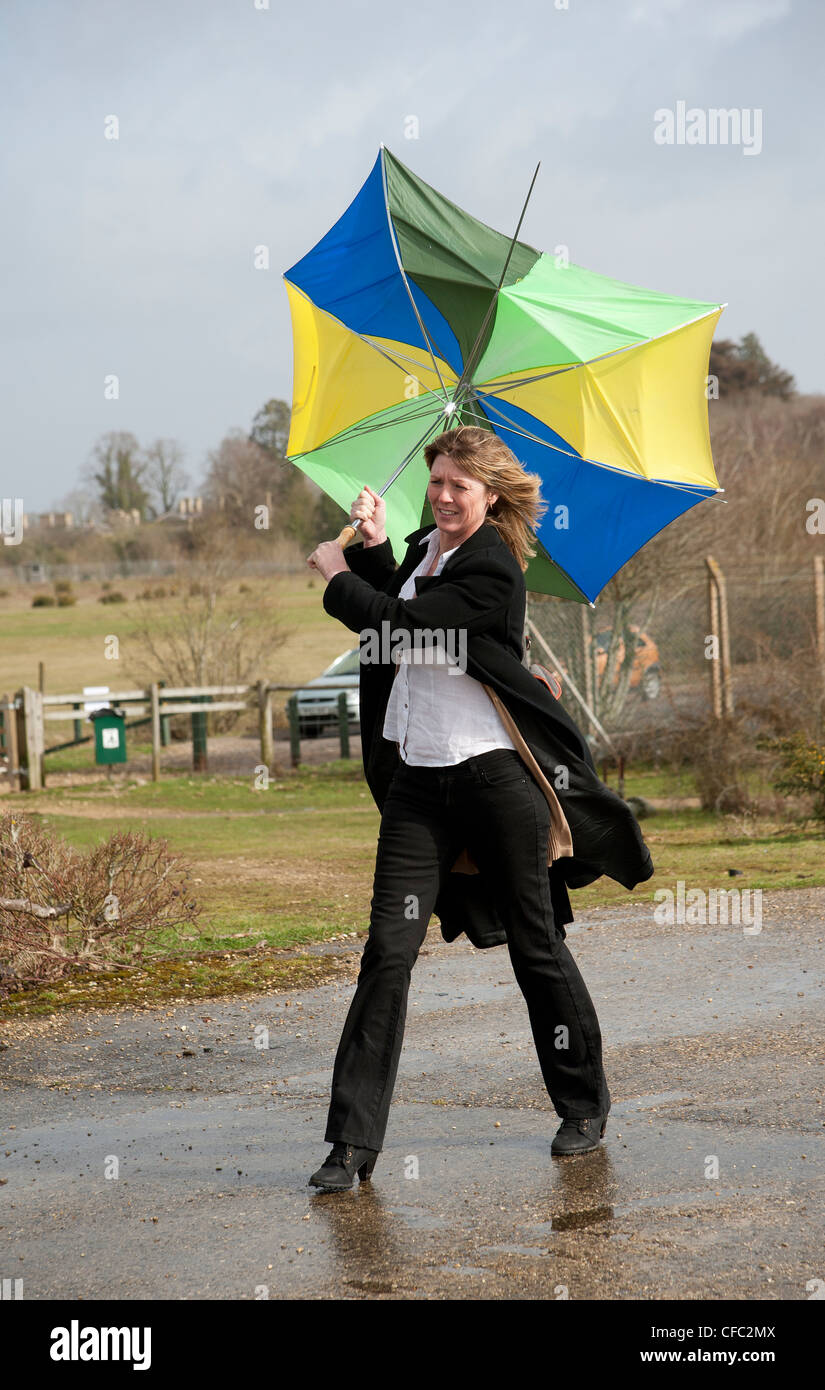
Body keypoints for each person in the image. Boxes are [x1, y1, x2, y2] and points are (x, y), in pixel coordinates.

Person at [304, 426, 654, 1193]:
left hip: (496, 782)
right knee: (385, 957)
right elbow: (397, 608)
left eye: (458, 485)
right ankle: (350, 1145)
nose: (442, 497)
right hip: (419, 790)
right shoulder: (427, 547)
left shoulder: (494, 565)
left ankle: (582, 1104)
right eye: (435, 482)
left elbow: (401, 629)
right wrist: (369, 548)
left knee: (535, 946)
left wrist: (336, 578)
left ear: (490, 494)